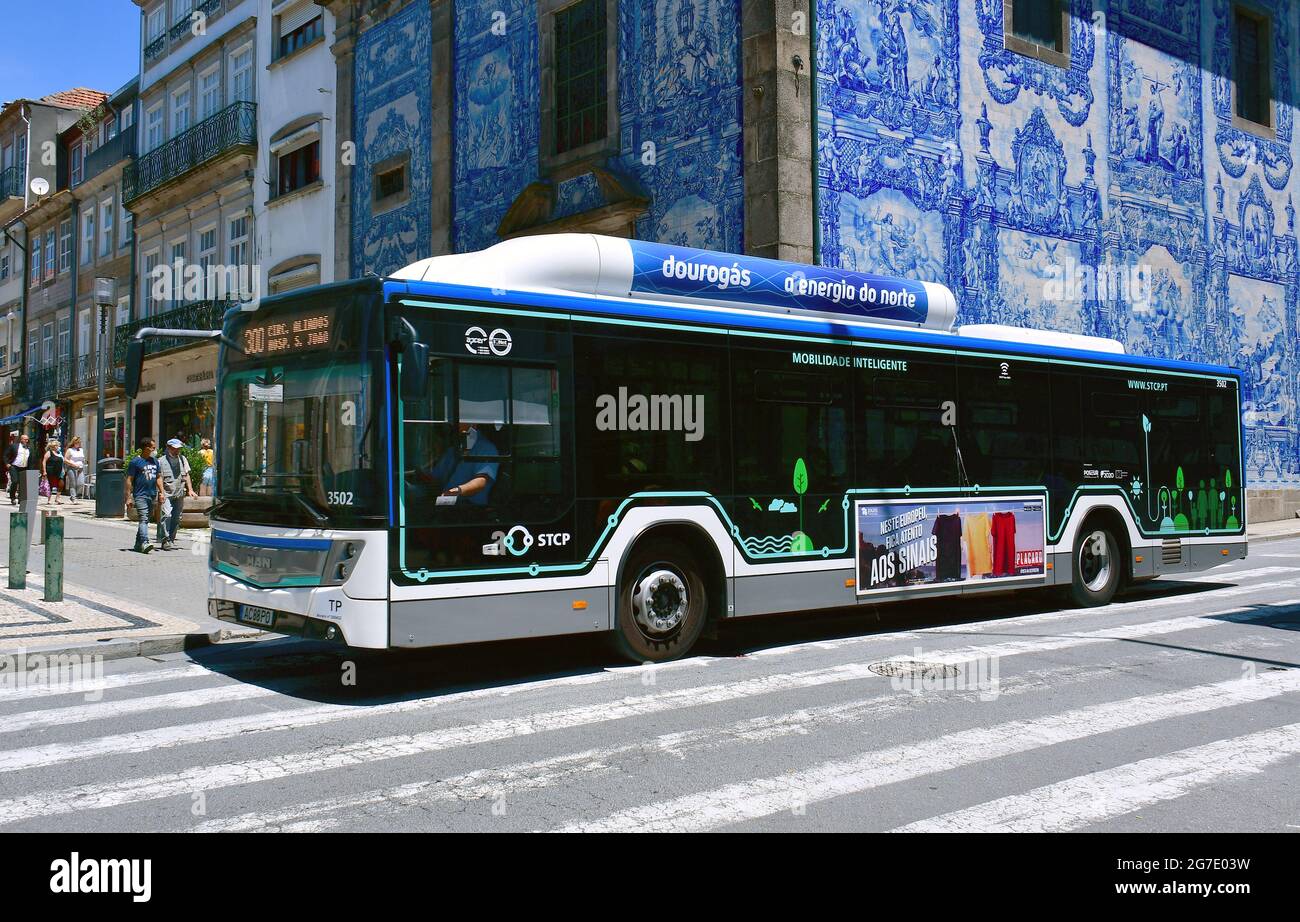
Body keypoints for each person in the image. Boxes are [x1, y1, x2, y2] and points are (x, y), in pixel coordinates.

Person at [424, 422, 498, 505]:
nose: (452, 423)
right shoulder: (453, 450)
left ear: (473, 423)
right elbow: (436, 478)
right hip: (446, 503)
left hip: (470, 508)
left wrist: (456, 491)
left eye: (459, 419)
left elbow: (480, 482)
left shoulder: (486, 448)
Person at [157, 438, 195, 550]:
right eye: (174, 448)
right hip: (166, 493)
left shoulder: (183, 460)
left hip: (179, 493)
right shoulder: (160, 461)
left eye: (178, 449)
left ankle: (171, 539)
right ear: (168, 448)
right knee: (167, 515)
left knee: (177, 517)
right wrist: (160, 493)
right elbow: (158, 478)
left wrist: (190, 489)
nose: (177, 451)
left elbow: (187, 475)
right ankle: (165, 539)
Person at [126, 439, 161, 553]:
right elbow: (129, 480)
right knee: (144, 518)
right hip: (140, 495)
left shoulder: (155, 461)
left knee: (146, 519)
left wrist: (162, 492)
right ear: (146, 448)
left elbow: (158, 477)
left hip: (152, 495)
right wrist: (128, 497)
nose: (154, 450)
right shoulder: (135, 462)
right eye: (153, 447)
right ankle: (145, 542)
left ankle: (137, 544)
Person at [41, 440, 65, 505]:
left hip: (60, 471)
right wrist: (44, 471)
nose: (57, 447)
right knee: (50, 485)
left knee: (61, 484)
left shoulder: (59, 453)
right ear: (52, 446)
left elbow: (63, 461)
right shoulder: (49, 452)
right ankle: (49, 499)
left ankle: (57, 499)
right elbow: (44, 461)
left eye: (58, 445)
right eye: (56, 445)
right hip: (51, 471)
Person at [64, 437, 86, 502]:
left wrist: (84, 461)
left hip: (80, 468)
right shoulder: (70, 450)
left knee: (81, 483)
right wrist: (74, 464)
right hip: (72, 468)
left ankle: (74, 495)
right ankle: (73, 497)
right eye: (77, 442)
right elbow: (65, 460)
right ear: (74, 443)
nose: (78, 444)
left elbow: (82, 458)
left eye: (79, 442)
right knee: (73, 483)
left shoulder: (81, 450)